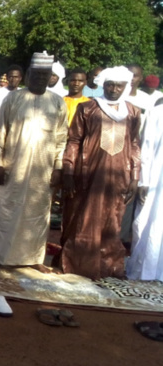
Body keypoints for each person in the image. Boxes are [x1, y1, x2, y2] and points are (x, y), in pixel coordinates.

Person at [0, 52, 68, 272]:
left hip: (43, 169)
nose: (40, 78)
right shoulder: (13, 98)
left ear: (50, 76)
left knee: (37, 213)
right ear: (28, 75)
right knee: (3, 209)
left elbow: (61, 138)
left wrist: (58, 167)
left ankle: (33, 258)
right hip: (12, 166)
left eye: (44, 75)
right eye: (36, 74)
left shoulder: (57, 102)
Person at [60, 67, 142, 279]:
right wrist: (68, 170)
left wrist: (135, 176)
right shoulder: (88, 108)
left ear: (126, 87)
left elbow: (134, 144)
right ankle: (76, 265)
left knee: (112, 221)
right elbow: (74, 140)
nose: (114, 89)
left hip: (118, 176)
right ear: (102, 85)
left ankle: (109, 268)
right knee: (82, 218)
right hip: (88, 174)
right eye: (109, 85)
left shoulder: (132, 112)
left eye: (119, 85)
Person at [127, 104, 163, 281]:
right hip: (157, 180)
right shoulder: (157, 112)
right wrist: (144, 180)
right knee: (149, 224)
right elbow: (146, 147)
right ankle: (146, 272)